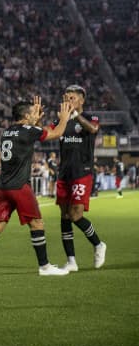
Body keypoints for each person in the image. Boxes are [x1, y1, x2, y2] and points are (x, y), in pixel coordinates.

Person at [0, 97, 73, 278]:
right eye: (32, 113)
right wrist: (64, 117)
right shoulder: (28, 131)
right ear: (25, 116)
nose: (35, 114)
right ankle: (45, 266)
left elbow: (35, 131)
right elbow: (56, 133)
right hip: (19, 186)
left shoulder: (8, 132)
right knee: (37, 223)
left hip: (3, 187)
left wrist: (36, 119)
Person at [55, 85, 106, 272]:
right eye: (66, 97)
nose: (68, 101)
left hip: (81, 172)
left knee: (76, 215)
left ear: (81, 100)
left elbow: (93, 129)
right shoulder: (62, 120)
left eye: (72, 98)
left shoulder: (91, 117)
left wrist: (75, 115)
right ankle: (71, 261)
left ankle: (98, 244)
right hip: (64, 174)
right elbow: (48, 133)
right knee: (64, 216)